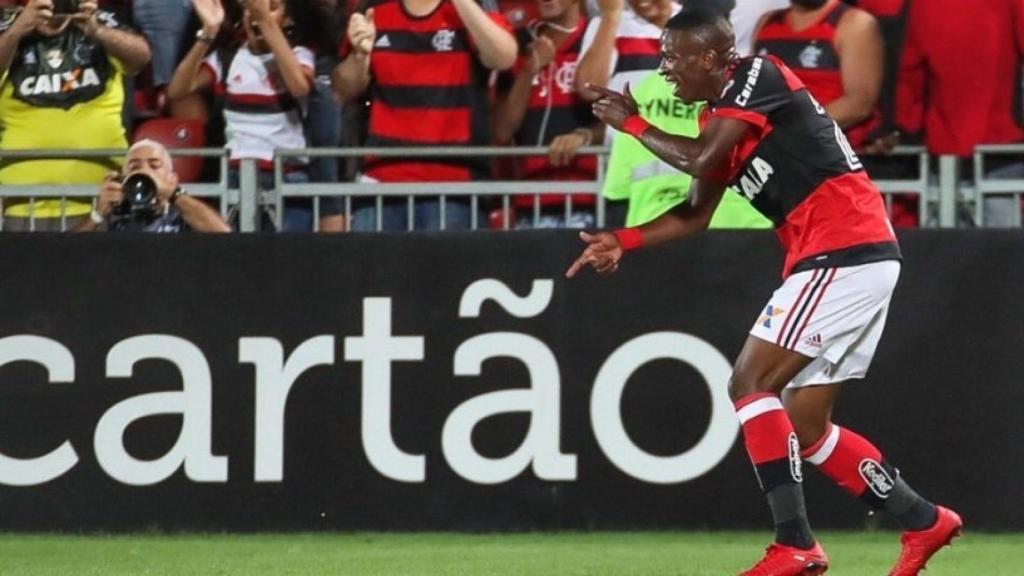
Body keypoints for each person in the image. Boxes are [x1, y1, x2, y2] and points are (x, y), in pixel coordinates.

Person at [566, 8, 961, 575]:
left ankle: (795, 544)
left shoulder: (759, 74)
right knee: (806, 424)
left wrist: (632, 124)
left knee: (749, 383)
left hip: (842, 249)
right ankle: (923, 520)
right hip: (851, 256)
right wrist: (623, 239)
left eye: (673, 57)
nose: (665, 68)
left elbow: (699, 159)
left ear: (709, 57)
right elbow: (695, 213)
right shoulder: (719, 118)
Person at [331, 0, 517, 231]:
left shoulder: (474, 6)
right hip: (381, 182)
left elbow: (504, 57)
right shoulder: (373, 8)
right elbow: (341, 91)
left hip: (456, 185)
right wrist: (359, 55)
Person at [167, 0, 343, 232]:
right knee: (241, 254)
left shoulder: (299, 55)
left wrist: (265, 21)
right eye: (252, 8)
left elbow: (299, 87)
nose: (257, 14)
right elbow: (176, 91)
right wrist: (208, 33)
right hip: (237, 178)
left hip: (286, 178)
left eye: (273, 7)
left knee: (290, 255)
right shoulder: (227, 58)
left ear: (287, 20)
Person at [0, 0, 151, 231]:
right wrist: (18, 29)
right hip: (21, 201)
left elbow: (141, 57)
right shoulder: (9, 26)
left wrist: (98, 31)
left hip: (102, 198)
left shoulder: (100, 21)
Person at [896, 0, 1024, 227]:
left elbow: (909, 77)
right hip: (1000, 147)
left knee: (943, 244)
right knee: (1004, 243)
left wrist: (905, 127)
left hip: (943, 149)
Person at [601, 63, 770, 228]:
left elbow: (617, 188)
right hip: (742, 223)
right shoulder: (744, 87)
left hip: (657, 222)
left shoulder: (643, 92)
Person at [493, 0, 598, 228]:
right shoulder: (516, 43)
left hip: (587, 199)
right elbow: (502, 130)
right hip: (529, 200)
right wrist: (529, 69)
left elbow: (618, 120)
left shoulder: (595, 38)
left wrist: (584, 136)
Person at [752, 0, 884, 151]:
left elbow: (858, 104)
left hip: (830, 151)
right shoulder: (767, 22)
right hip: (770, 148)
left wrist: (791, 130)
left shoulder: (854, 23)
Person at [74, 139, 231, 232]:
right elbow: (69, 253)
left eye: (154, 166)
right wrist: (98, 214)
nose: (145, 171)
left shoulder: (184, 214)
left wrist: (173, 194)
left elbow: (224, 234)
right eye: (135, 167)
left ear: (172, 179)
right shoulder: (114, 215)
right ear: (124, 177)